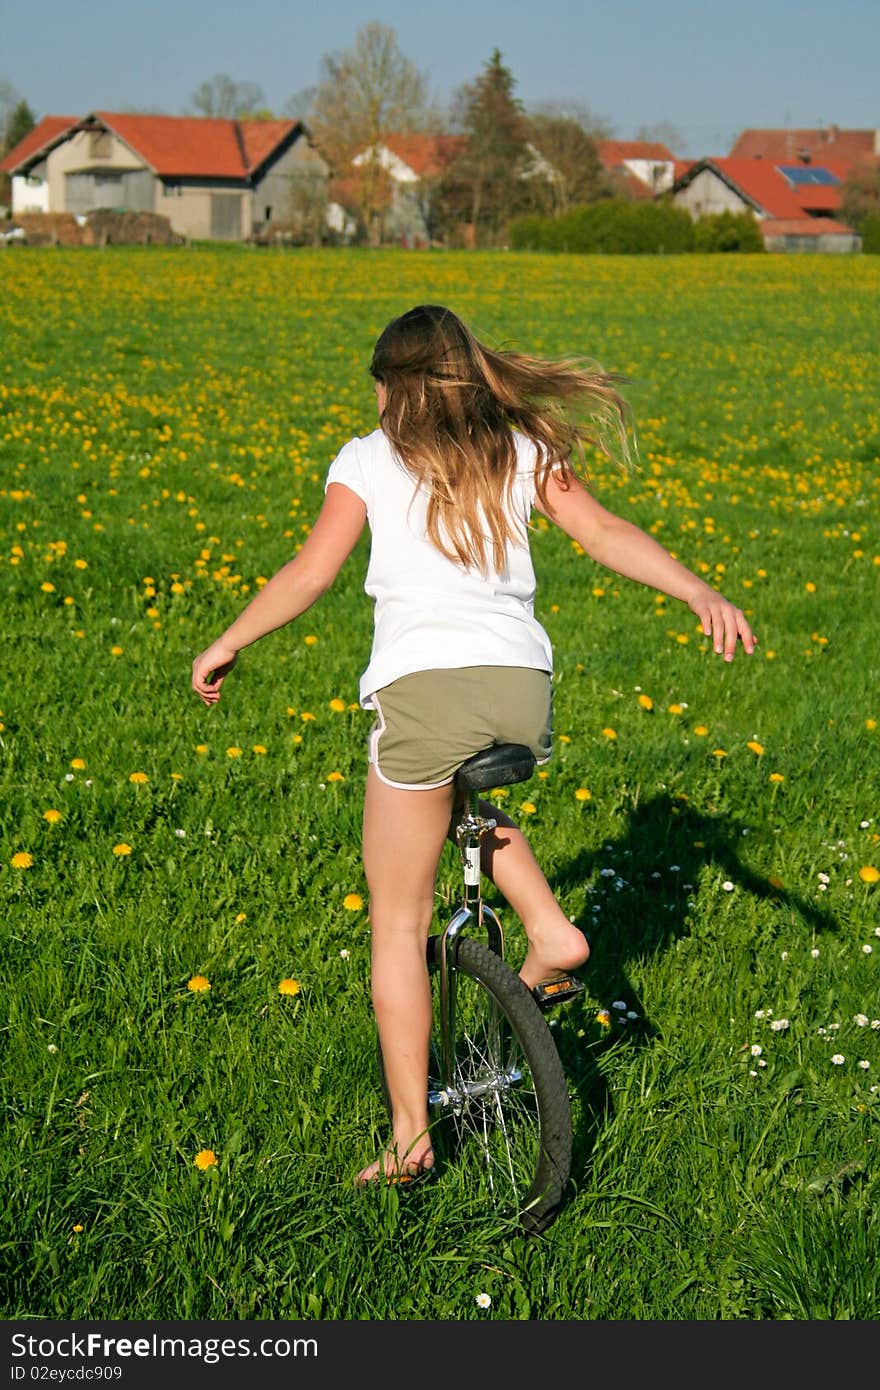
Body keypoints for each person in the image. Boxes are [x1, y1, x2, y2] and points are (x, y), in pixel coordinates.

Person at [191, 304, 756, 1186]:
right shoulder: (520, 448)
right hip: (520, 692)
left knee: (398, 921)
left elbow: (311, 572)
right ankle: (550, 929)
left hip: (424, 694)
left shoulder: (366, 460)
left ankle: (411, 1134)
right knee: (462, 803)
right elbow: (604, 534)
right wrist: (698, 592)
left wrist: (228, 640)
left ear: (394, 389)